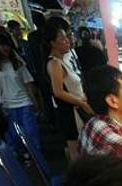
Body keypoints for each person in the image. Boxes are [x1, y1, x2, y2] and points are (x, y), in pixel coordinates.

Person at [0, 31, 47, 170]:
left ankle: (36, 159)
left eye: (7, 45)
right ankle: (22, 157)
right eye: (2, 45)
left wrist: (35, 102)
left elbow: (28, 84)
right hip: (7, 105)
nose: (6, 48)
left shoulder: (17, 62)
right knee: (13, 136)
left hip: (24, 102)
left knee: (31, 133)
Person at [45, 22, 91, 159]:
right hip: (70, 113)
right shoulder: (54, 63)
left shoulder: (64, 59)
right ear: (53, 43)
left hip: (77, 109)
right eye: (63, 39)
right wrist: (81, 103)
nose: (68, 41)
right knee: (75, 152)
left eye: (67, 37)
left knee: (81, 149)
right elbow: (58, 92)